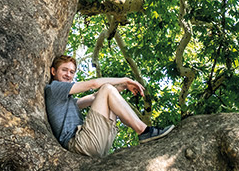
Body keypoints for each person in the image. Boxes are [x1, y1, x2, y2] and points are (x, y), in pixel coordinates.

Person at [45, 54, 174, 157]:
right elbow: (94, 84)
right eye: (64, 70)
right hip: (79, 144)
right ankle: (144, 131)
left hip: (96, 145)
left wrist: (122, 87)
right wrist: (125, 79)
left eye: (72, 72)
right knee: (106, 88)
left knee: (107, 93)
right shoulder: (53, 88)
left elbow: (95, 97)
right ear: (53, 71)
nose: (68, 74)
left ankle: (144, 131)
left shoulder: (68, 101)